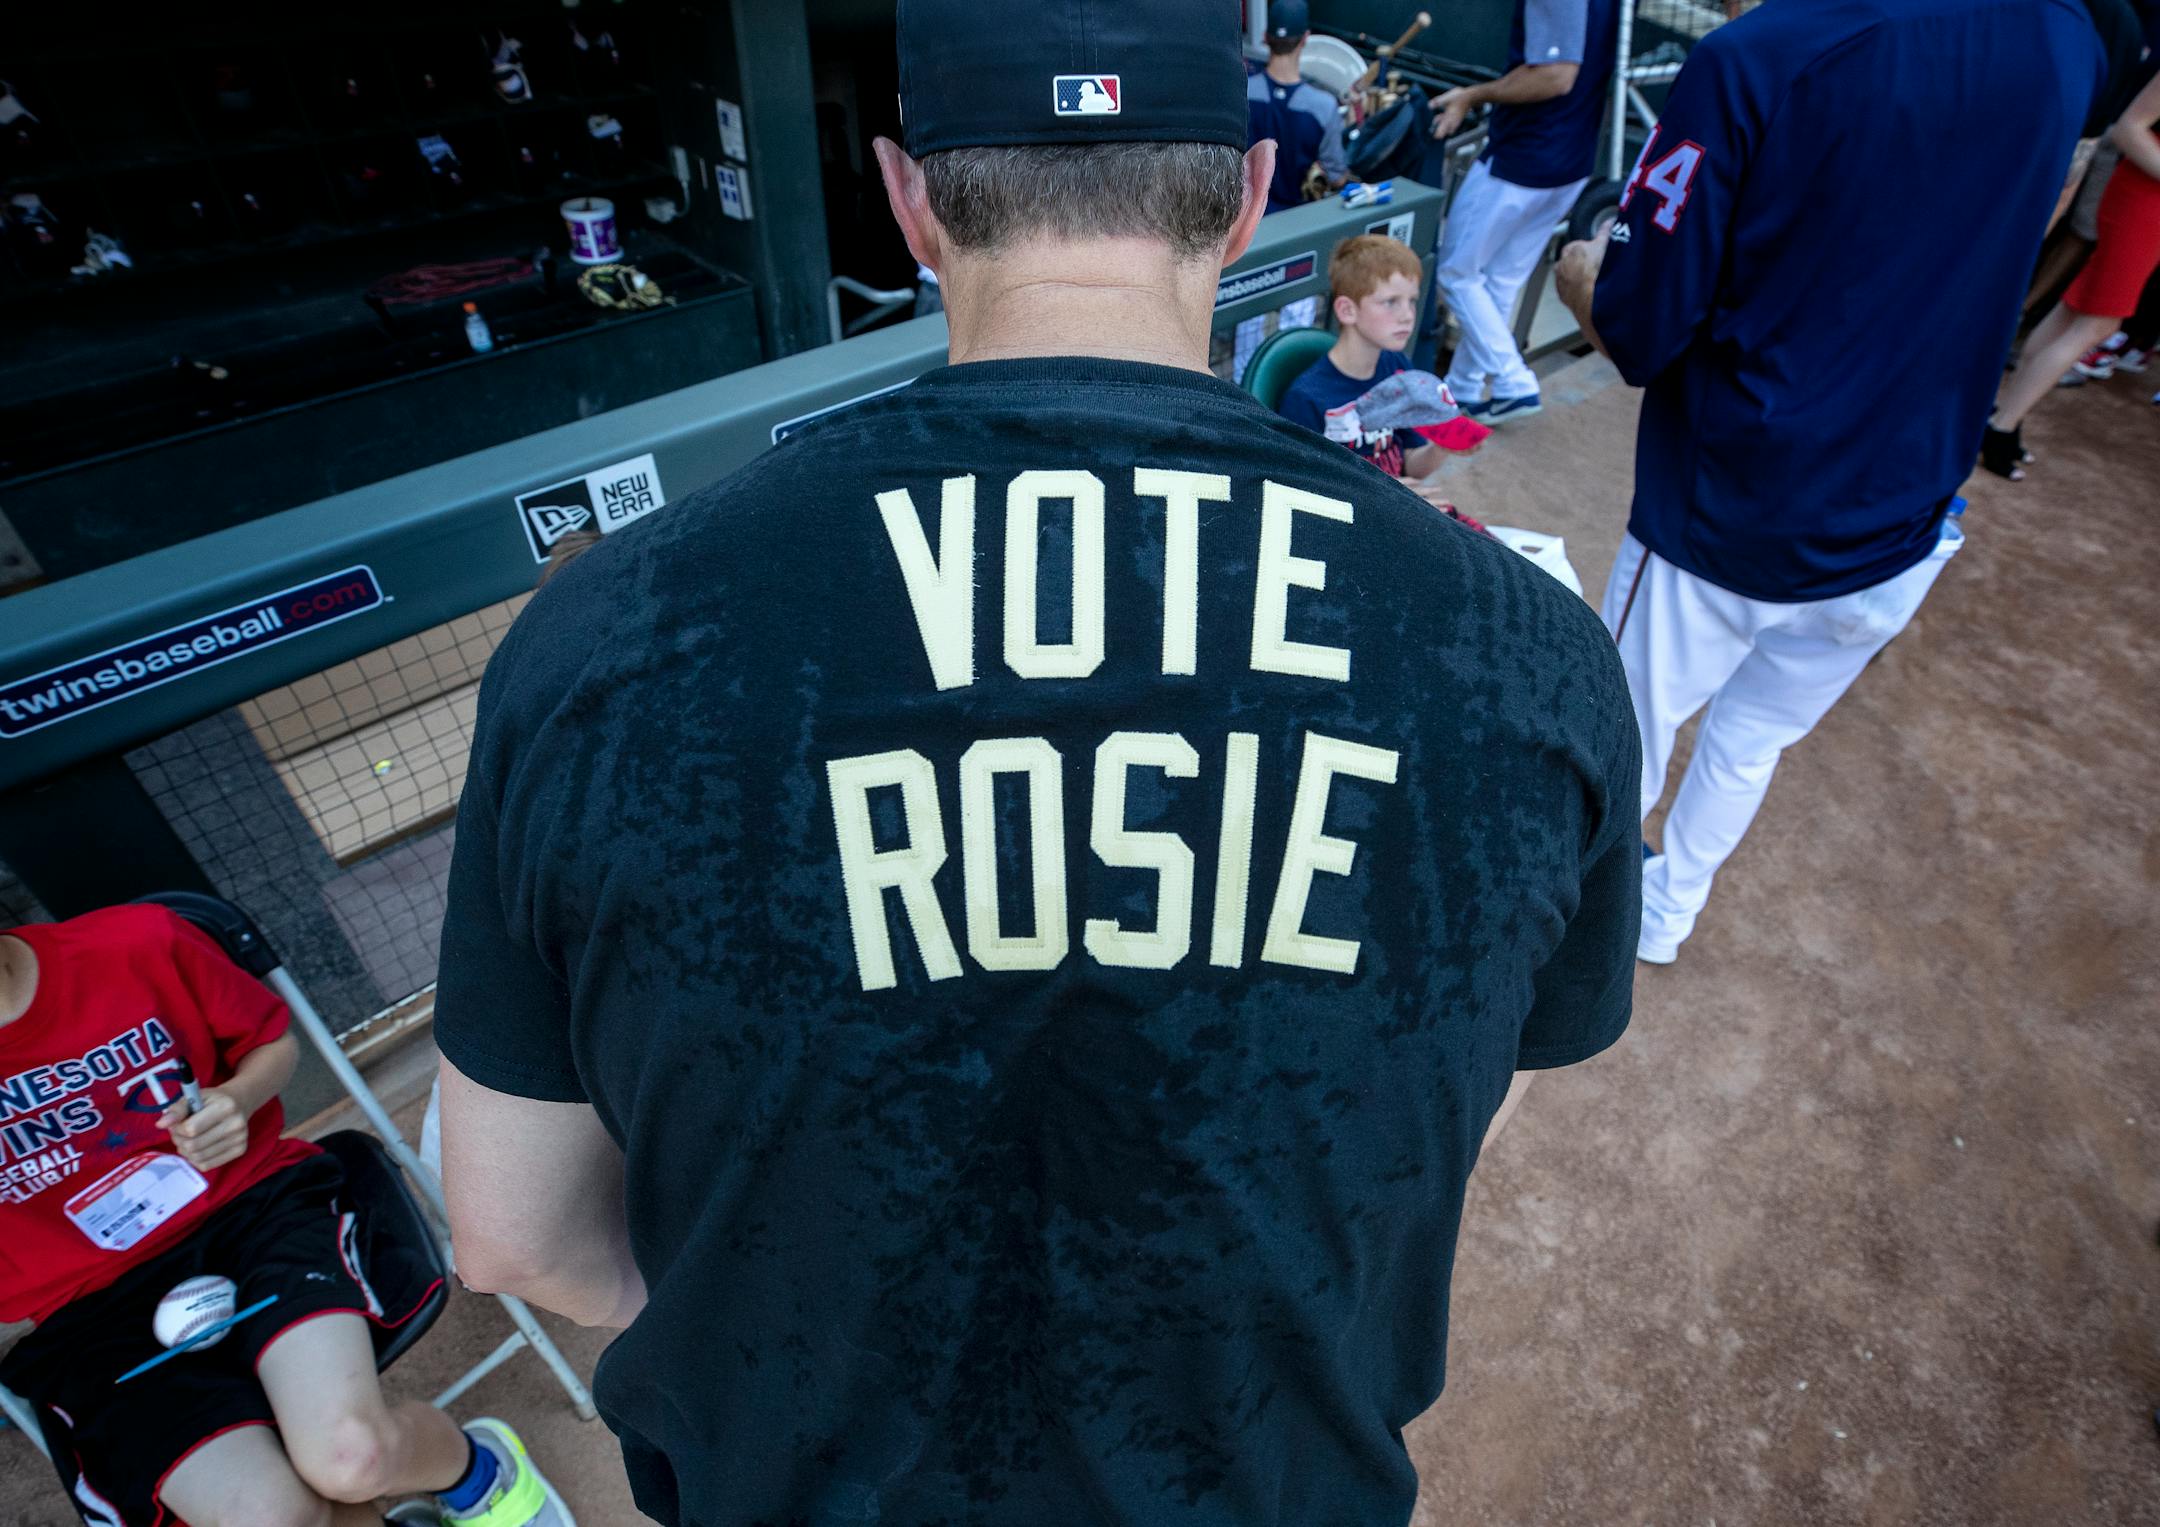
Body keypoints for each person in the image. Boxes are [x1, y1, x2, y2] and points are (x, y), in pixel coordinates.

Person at [432, 0, 1642, 1522]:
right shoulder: (1523, 649)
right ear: (1253, 188)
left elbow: (512, 1237)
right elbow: (1462, 1105)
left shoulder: (601, 637)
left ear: (909, 197)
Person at [1553, 0, 2132, 963]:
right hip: (1911, 506)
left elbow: (1640, 331)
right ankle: (1666, 914)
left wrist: (1585, 277)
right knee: (1751, 740)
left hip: (1736, 510)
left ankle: (1572, 940)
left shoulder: (1756, 54)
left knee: (1622, 739)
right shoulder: (2063, 33)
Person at [0, 903, 567, 1527]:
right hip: (88, 1313)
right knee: (272, 1517)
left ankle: (478, 1470)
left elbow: (271, 1045)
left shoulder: (137, 943)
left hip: (252, 1213)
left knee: (350, 1458)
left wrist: (237, 1101)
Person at [1426, 0, 1620, 424]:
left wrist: (1473, 95)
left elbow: (1555, 75)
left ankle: (1514, 380)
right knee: (1501, 280)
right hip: (1572, 160)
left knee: (1457, 273)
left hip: (1524, 157)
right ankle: (1463, 390)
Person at [1985, 68, 2160, 477]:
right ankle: (2000, 424)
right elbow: (2129, 128)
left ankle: (2004, 416)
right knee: (2099, 321)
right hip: (2142, 202)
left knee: (2077, 309)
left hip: (2148, 203)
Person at [1278, 233, 1493, 524]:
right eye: (1391, 302)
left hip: (1398, 507)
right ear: (1347, 310)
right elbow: (1302, 494)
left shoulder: (1397, 366)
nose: (1407, 315)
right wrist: (1384, 492)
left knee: (1494, 555)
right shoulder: (1307, 397)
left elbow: (1410, 467)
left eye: (1412, 301)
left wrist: (1443, 446)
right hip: (1350, 524)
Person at [1248, 0, 1347, 215]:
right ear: (1305, 38)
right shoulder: (1324, 106)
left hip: (1244, 220)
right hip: (1297, 222)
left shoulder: (1240, 92)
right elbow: (1337, 178)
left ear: (1265, 37)